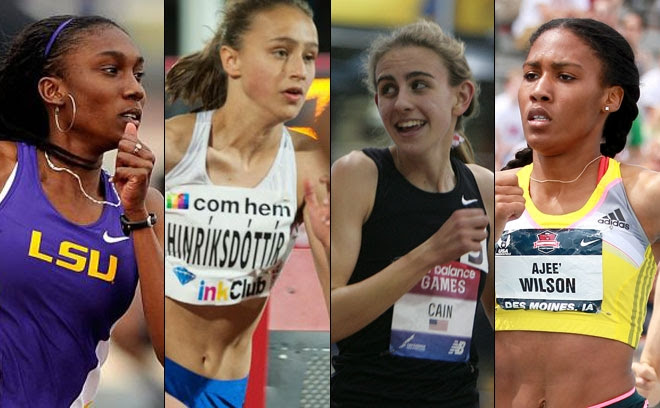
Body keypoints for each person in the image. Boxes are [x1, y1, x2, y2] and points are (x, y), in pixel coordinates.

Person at [163, 0, 329, 406]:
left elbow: (336, 294)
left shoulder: (307, 162)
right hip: (164, 373)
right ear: (231, 60)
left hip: (228, 385)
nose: (299, 70)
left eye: (308, 56)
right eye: (280, 52)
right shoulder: (173, 147)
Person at [0, 15, 164, 407]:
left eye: (138, 75)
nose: (135, 90)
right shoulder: (6, 169)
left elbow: (174, 354)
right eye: (111, 70)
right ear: (53, 90)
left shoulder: (144, 206)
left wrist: (138, 215)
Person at [495, 18, 660, 407]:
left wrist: (651, 357)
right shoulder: (495, 194)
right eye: (531, 75)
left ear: (611, 98)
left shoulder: (643, 194)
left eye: (565, 77)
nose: (540, 91)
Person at [331, 20, 494, 407]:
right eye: (388, 89)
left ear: (461, 97)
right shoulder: (359, 174)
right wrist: (429, 254)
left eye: (419, 84)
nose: (401, 101)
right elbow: (329, 318)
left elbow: (505, 322)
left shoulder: (482, 186)